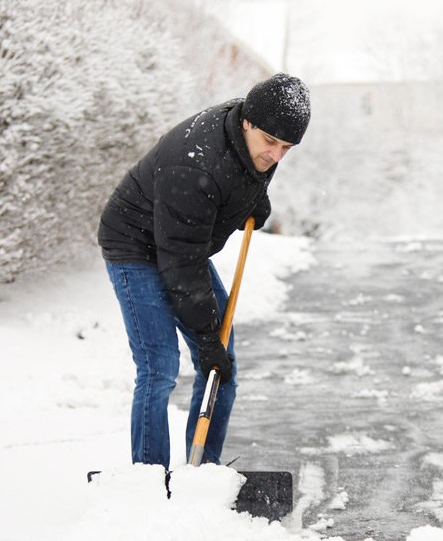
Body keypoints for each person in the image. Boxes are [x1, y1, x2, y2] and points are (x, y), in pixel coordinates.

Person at [97, 73, 311, 469]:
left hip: (181, 245)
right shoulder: (195, 162)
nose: (276, 156)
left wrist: (251, 198)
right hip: (135, 244)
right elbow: (180, 262)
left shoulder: (256, 138)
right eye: (271, 143)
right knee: (159, 366)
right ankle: (148, 476)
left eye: (287, 147)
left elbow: (239, 176)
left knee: (221, 367)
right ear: (248, 121)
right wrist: (206, 335)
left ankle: (202, 472)